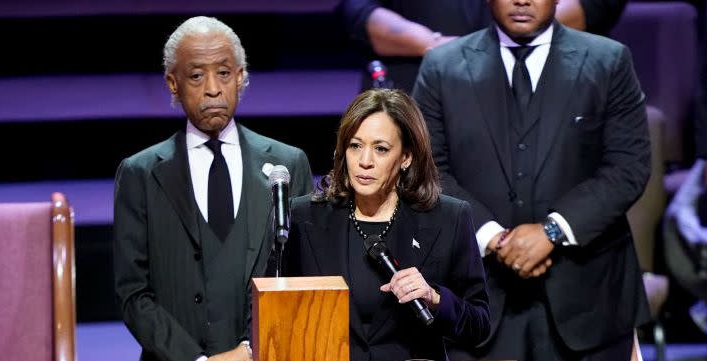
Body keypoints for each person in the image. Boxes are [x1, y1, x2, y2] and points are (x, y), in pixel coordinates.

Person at [411, 0, 651, 358]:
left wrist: (552, 231)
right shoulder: (441, 67)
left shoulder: (608, 61)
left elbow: (628, 166)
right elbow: (427, 169)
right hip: (479, 303)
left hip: (590, 301)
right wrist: (493, 238)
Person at [113, 16, 314, 361]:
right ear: (172, 84)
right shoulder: (140, 174)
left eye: (223, 73)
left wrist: (250, 350)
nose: (212, 88)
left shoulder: (287, 165)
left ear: (240, 77)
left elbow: (302, 277)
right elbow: (133, 293)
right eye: (196, 75)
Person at [277, 88, 490, 361]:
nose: (365, 162)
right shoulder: (303, 217)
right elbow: (274, 310)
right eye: (355, 146)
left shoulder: (448, 217)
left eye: (381, 149)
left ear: (406, 157)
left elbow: (479, 325)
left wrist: (434, 299)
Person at [338, 0, 626, 93]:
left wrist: (491, 44)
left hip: (536, 76)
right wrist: (432, 44)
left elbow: (598, 4)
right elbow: (355, 10)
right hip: (419, 73)